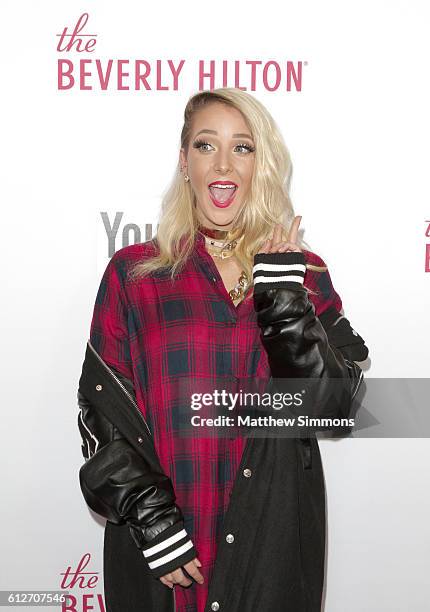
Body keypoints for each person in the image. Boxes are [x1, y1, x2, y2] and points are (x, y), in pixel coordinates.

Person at [77, 87, 369, 612]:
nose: (223, 163)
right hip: (165, 554)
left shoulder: (303, 270)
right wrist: (153, 521)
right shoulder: (134, 274)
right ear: (183, 161)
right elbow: (103, 414)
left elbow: (332, 408)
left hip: (272, 541)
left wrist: (281, 294)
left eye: (243, 147)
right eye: (206, 144)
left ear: (262, 163)